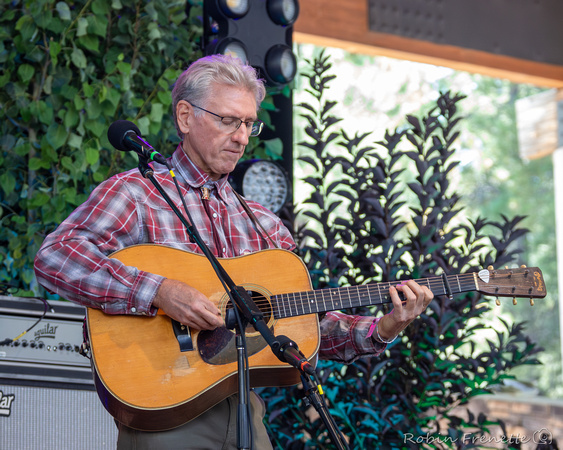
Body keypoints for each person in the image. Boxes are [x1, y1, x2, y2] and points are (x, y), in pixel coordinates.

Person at [34, 54, 433, 449]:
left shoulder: (264, 223)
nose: (242, 137)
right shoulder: (136, 193)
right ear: (186, 117)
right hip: (164, 409)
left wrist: (384, 327)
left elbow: (307, 325)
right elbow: (55, 257)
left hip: (246, 410)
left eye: (248, 123)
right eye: (228, 120)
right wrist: (157, 291)